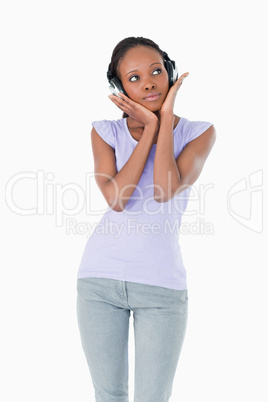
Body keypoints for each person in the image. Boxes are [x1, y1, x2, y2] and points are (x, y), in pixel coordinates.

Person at [76, 37, 216, 402]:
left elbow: (164, 188)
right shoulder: (104, 132)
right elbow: (118, 199)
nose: (149, 82)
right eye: (134, 77)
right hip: (99, 283)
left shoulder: (198, 133)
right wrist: (149, 130)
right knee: (109, 395)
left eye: (156, 71)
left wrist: (165, 121)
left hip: (161, 288)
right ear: (120, 87)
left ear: (169, 73)